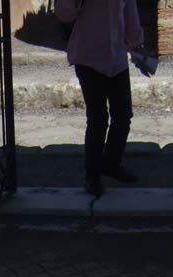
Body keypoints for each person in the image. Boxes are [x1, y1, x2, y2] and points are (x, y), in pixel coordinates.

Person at [54, 0, 144, 198]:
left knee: (123, 115)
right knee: (98, 119)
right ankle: (92, 176)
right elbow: (63, 13)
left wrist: (136, 41)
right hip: (88, 58)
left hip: (117, 58)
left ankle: (111, 163)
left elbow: (129, 8)